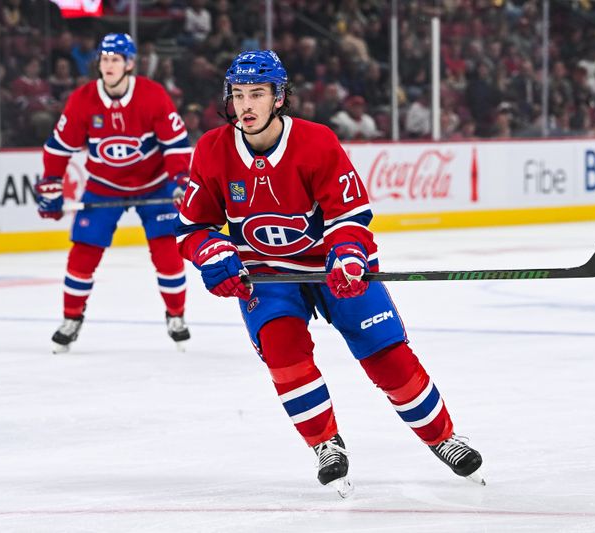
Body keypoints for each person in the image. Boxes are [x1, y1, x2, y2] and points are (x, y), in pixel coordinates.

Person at [174, 50, 484, 497]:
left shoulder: (317, 142)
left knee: (385, 354)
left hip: (332, 268)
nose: (246, 105)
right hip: (267, 275)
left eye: (257, 94)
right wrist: (215, 255)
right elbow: (193, 227)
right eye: (238, 95)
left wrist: (348, 256)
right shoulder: (212, 149)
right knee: (285, 355)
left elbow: (351, 215)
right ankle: (325, 444)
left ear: (279, 98)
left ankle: (443, 437)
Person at [35, 33, 192, 354]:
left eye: (115, 59)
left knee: (167, 255)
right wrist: (52, 182)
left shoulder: (152, 95)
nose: (108, 65)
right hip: (104, 185)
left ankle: (176, 315)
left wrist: (180, 179)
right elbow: (58, 147)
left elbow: (175, 145)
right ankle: (71, 319)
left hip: (154, 183)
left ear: (130, 64)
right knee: (83, 254)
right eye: (104, 59)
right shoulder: (82, 99)